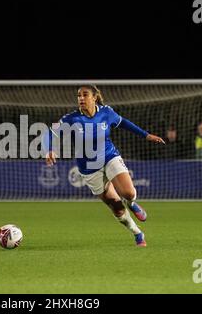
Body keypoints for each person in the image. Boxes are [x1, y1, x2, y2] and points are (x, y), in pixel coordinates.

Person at [44, 85, 165, 247]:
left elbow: (124, 123)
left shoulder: (106, 112)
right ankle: (137, 233)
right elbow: (50, 134)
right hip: (89, 168)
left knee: (128, 193)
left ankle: (132, 203)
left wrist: (146, 135)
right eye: (78, 95)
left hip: (109, 157)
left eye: (85, 95)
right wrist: (49, 150)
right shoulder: (71, 119)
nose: (81, 98)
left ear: (94, 97)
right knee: (116, 207)